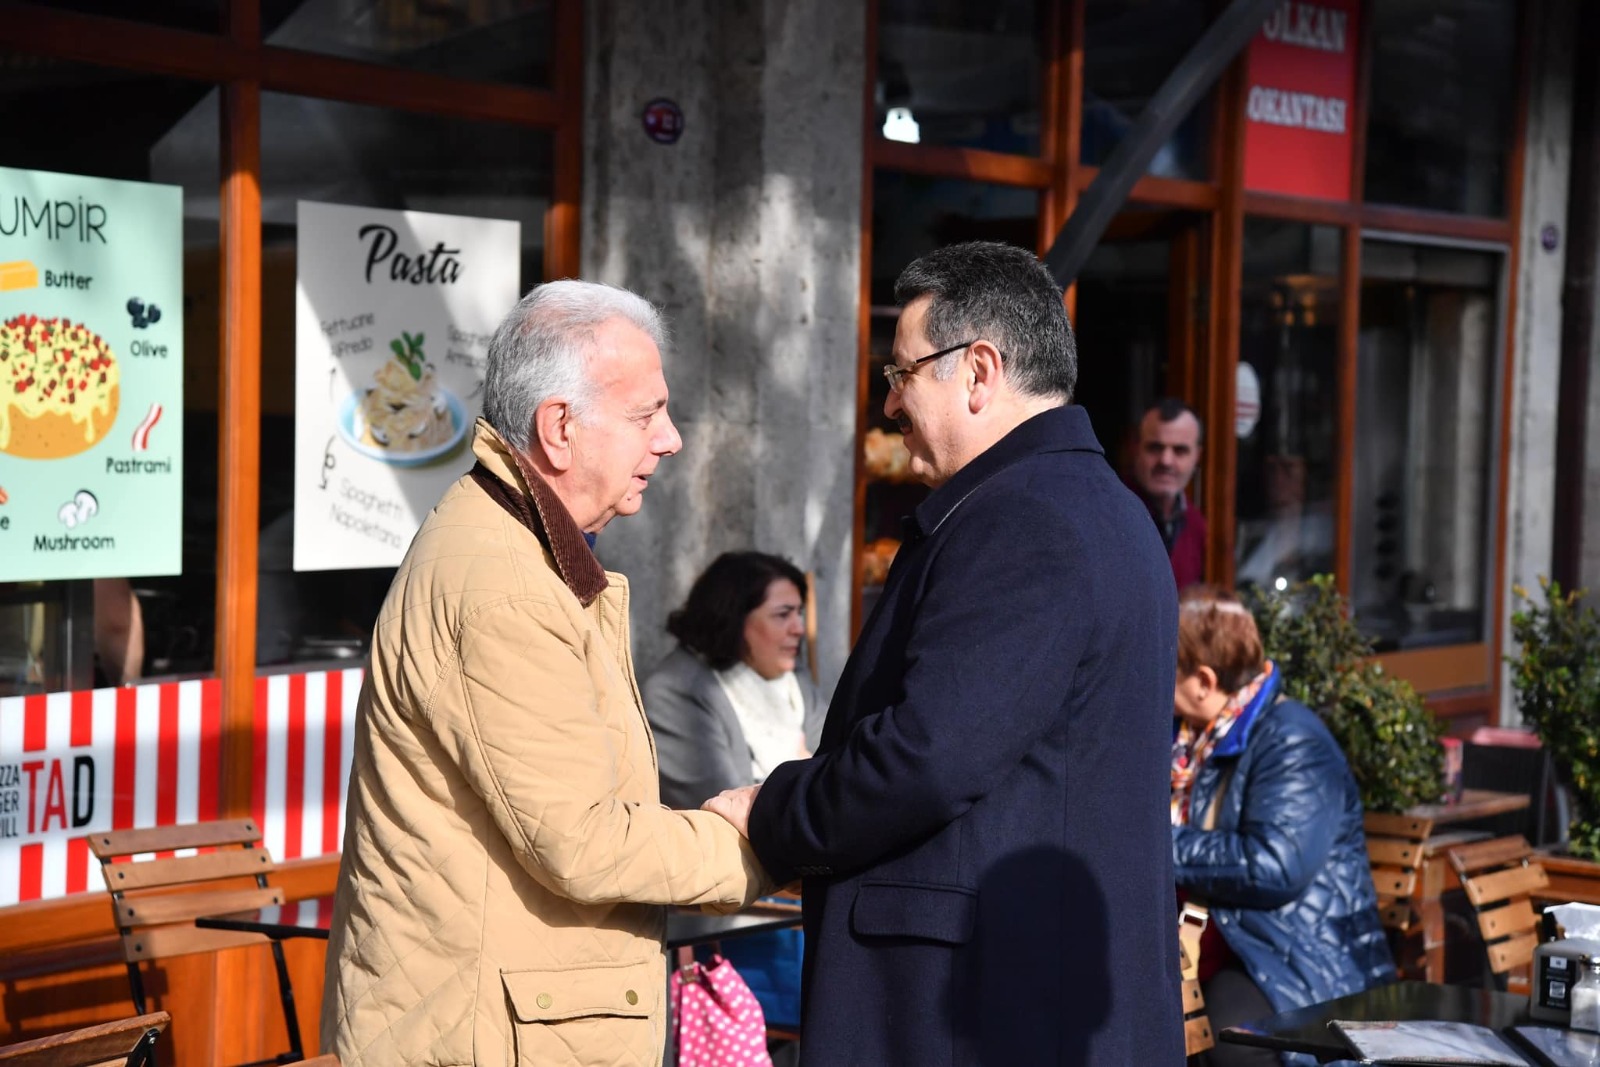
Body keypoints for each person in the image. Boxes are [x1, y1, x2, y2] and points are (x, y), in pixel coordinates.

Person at [706, 241, 1184, 1065]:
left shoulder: (1024, 517)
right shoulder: (1106, 509)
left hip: (978, 1013)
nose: (888, 405)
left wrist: (772, 811)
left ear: (979, 371)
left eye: (900, 374)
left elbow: (927, 756)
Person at [321, 280, 770, 1067]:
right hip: (479, 1037)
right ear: (559, 429)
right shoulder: (503, 585)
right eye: (645, 414)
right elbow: (584, 840)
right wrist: (761, 842)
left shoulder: (519, 551)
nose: (670, 439)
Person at [1170, 586, 1394, 1066]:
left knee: (1234, 1043)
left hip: (1297, 958)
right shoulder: (1191, 743)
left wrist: (1156, 846)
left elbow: (1274, 866)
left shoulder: (1293, 741)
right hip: (1224, 942)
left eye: (1167, 671)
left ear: (1204, 682)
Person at [643, 551, 824, 810]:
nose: (799, 628)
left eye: (799, 613)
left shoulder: (795, 683)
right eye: (783, 615)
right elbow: (723, 809)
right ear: (735, 619)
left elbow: (838, 775)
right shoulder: (676, 691)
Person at [1130, 397, 1207, 589]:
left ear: (1197, 456)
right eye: (1155, 448)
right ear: (1135, 449)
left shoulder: (1199, 527)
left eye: (1180, 450)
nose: (1165, 461)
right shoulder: (1107, 514)